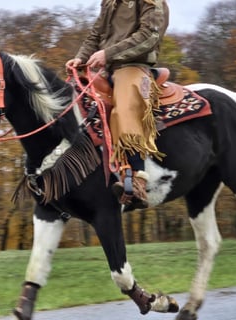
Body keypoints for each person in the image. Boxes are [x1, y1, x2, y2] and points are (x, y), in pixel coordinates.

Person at [66, 0, 169, 210]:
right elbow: (95, 35)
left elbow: (149, 36)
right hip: (104, 69)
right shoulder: (110, 2)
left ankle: (138, 181)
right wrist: (80, 58)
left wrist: (108, 54)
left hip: (133, 66)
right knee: (69, 100)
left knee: (124, 110)